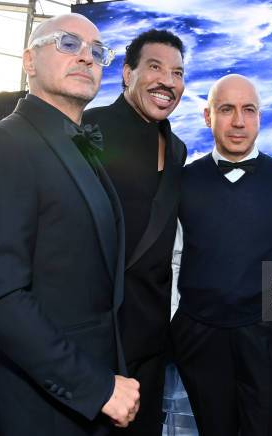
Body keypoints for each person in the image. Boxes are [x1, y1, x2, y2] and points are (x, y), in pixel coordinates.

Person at [0, 13, 139, 436]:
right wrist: (94, 386)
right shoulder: (2, 145)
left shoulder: (75, 144)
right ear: (29, 61)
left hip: (88, 390)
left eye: (97, 52)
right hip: (44, 401)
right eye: (68, 44)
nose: (87, 58)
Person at [171, 74, 272, 436]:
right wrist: (175, 323)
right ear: (207, 116)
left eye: (249, 110)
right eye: (226, 109)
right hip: (199, 334)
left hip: (267, 335)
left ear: (259, 117)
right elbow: (174, 258)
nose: (238, 121)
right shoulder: (183, 181)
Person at [83, 29, 186, 435]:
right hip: (98, 332)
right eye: (155, 67)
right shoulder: (88, 129)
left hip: (152, 332)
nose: (167, 81)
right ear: (127, 74)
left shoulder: (175, 147)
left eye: (177, 73)